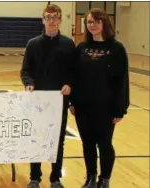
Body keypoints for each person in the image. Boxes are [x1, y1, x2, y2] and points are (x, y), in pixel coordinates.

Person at [69, 8, 130, 188]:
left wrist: (121, 108)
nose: (92, 25)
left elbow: (122, 80)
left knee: (104, 144)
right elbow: (74, 76)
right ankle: (91, 178)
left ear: (104, 23)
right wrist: (73, 102)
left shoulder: (117, 48)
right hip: (83, 105)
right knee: (87, 143)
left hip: (106, 106)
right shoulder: (82, 47)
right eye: (89, 22)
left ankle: (105, 179)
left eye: (96, 21)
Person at [20, 4, 76, 188]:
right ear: (43, 20)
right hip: (37, 102)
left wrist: (70, 84)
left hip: (59, 102)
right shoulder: (33, 44)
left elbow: (74, 73)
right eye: (48, 17)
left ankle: (55, 178)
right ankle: (34, 177)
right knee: (36, 138)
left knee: (57, 141)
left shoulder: (69, 45)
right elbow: (25, 71)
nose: (52, 21)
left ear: (60, 20)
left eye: (55, 17)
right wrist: (28, 83)